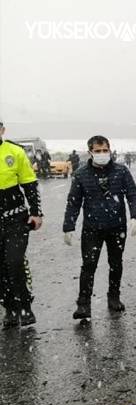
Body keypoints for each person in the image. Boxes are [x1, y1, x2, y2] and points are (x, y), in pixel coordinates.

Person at [63, 135, 136, 320]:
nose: (101, 154)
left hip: (116, 226)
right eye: (97, 151)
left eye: (104, 150)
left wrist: (135, 217)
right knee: (89, 265)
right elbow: (73, 202)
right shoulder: (81, 174)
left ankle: (114, 296)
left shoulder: (121, 171)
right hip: (92, 228)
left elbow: (132, 194)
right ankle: (83, 304)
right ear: (90, 152)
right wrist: (68, 226)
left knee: (116, 263)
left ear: (110, 150)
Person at [0, 122, 43, 328]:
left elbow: (29, 184)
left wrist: (36, 213)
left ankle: (26, 305)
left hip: (15, 218)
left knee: (14, 261)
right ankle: (9, 308)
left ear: (2, 130)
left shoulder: (14, 152)